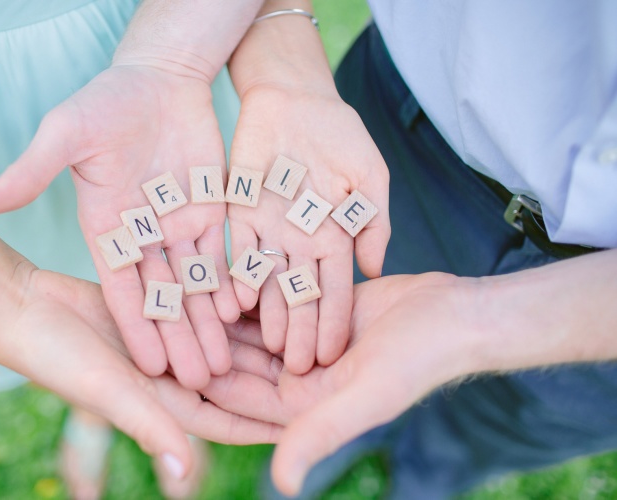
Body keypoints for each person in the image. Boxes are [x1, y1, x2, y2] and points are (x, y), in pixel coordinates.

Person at [200, 1, 617, 498]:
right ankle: (325, 438)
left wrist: (479, 322)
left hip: (601, 330)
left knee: (493, 433)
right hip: (410, 138)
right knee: (327, 342)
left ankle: (427, 476)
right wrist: (281, 52)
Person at [0, 0, 259, 497]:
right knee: (37, 293)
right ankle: (93, 408)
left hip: (137, 47)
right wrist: (8, 303)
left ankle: (157, 393)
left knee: (168, 271)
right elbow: (12, 301)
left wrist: (168, 60)